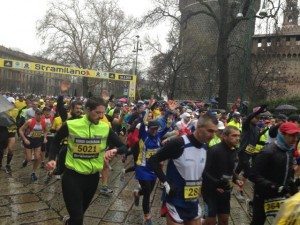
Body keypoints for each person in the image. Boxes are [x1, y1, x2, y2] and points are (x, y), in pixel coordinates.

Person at [46, 97, 127, 225]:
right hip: (72, 177)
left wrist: (114, 151)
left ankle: (69, 222)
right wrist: (51, 159)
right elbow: (55, 141)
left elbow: (123, 147)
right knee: (78, 218)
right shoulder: (72, 125)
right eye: (98, 113)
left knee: (79, 214)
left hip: (93, 178)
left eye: (103, 113)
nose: (101, 116)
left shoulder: (105, 128)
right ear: (88, 110)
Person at [148, 114, 218, 225]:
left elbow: (201, 173)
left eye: (215, 132)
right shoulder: (179, 143)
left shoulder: (205, 148)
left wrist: (217, 183)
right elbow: (152, 160)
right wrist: (165, 182)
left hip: (193, 201)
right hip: (175, 200)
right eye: (210, 131)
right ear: (199, 127)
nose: (213, 135)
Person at [250, 122, 300, 225]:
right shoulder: (267, 151)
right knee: (258, 222)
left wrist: (293, 188)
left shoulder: (289, 151)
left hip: (280, 195)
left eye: (296, 136)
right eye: (291, 135)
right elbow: (253, 174)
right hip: (263, 195)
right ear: (282, 134)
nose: (295, 139)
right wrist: (272, 185)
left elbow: (288, 171)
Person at [202, 126, 242, 225]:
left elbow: (228, 169)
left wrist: (236, 179)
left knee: (224, 220)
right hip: (210, 191)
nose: (237, 138)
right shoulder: (214, 150)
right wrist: (216, 185)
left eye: (238, 136)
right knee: (210, 222)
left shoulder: (233, 151)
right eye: (234, 135)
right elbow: (203, 172)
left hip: (225, 190)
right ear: (224, 136)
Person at [19, 109, 47, 181]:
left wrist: (44, 138)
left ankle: (33, 172)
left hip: (38, 140)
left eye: (41, 115)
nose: (40, 116)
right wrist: (25, 139)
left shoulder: (44, 122)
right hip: (29, 140)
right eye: (38, 115)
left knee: (37, 158)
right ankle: (26, 160)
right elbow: (20, 130)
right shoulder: (30, 121)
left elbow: (46, 130)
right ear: (35, 115)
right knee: (29, 158)